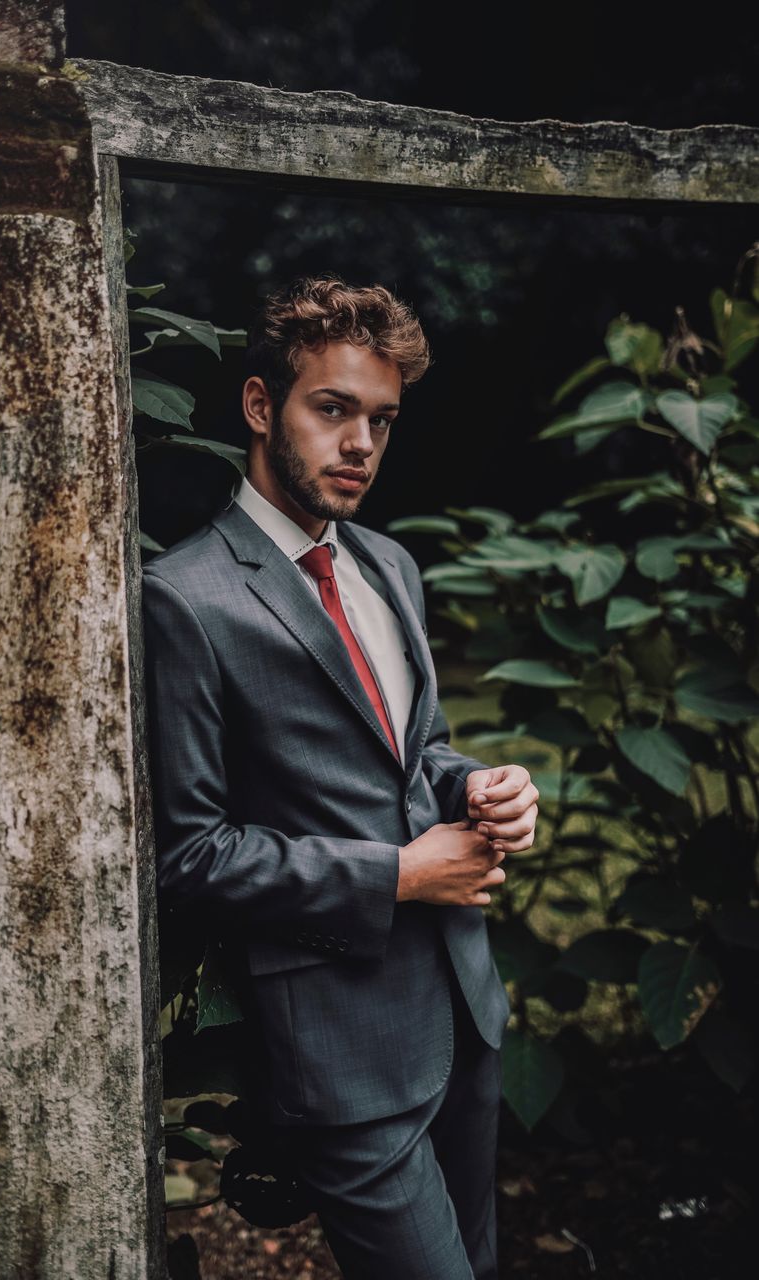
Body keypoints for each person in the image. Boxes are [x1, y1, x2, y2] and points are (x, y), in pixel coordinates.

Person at [141, 275, 539, 1279]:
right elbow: (187, 855)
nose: (361, 442)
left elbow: (420, 752)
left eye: (382, 419)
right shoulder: (183, 599)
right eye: (333, 409)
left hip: (463, 998)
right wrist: (397, 873)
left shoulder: (390, 565)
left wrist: (480, 784)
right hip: (340, 1038)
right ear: (260, 405)